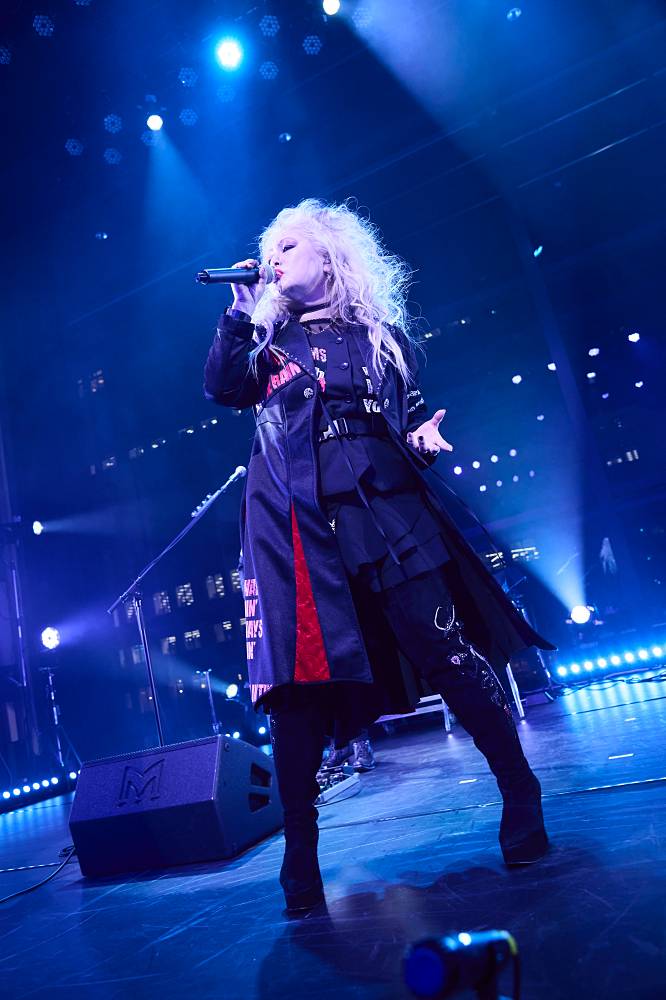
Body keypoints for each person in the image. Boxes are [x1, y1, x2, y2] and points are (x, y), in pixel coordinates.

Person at [204, 198, 554, 916]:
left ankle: (521, 791)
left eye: (289, 246)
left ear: (330, 255)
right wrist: (240, 315)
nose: (274, 258)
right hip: (297, 526)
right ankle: (300, 852)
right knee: (299, 688)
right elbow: (223, 388)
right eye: (269, 250)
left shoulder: (380, 337)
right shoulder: (265, 339)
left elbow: (411, 414)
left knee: (447, 652)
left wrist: (423, 437)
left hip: (387, 511)